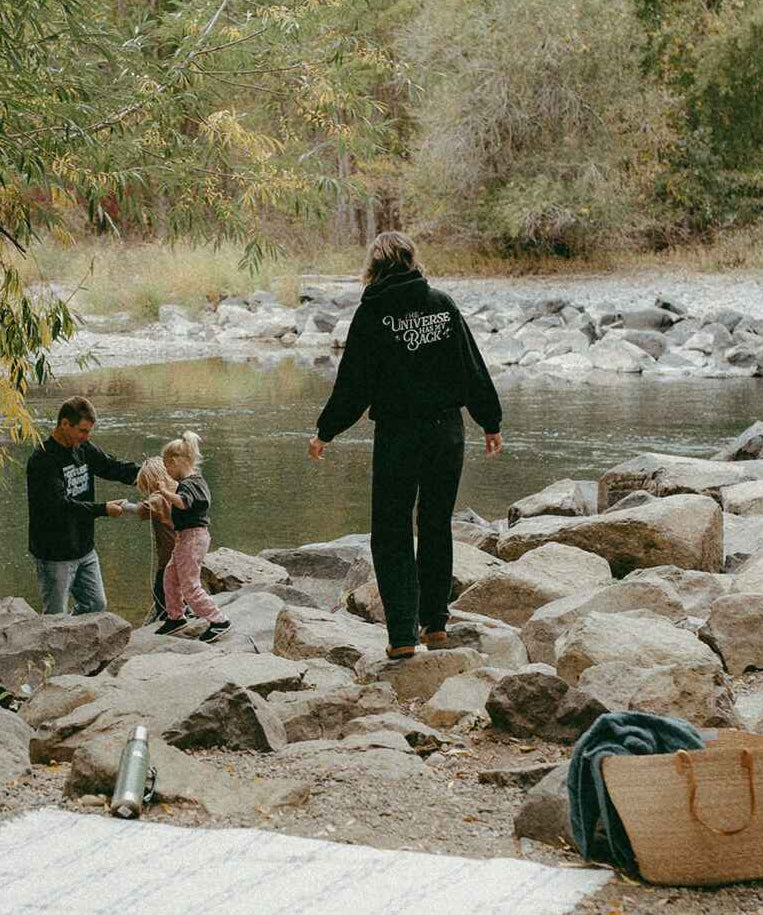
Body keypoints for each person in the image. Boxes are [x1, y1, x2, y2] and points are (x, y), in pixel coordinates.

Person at [308, 231, 503, 660]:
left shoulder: (372, 313)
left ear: (373, 268)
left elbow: (353, 387)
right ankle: (434, 624)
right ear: (413, 261)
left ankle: (401, 635)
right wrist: (490, 422)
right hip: (446, 434)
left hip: (399, 436)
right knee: (435, 525)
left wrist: (326, 431)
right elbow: (471, 367)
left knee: (393, 530)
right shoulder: (441, 305)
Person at [26, 396, 140, 615]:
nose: (86, 437)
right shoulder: (43, 460)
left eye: (88, 432)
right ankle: (56, 649)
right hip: (54, 553)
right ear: (65, 424)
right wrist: (103, 509)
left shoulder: (82, 447)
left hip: (84, 548)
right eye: (83, 431)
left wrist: (146, 474)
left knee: (95, 606)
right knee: (55, 616)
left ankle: (79, 644)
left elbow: (110, 466)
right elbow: (61, 506)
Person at [155, 431, 232, 642]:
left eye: (167, 465)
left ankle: (219, 620)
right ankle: (176, 616)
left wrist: (165, 492)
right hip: (184, 538)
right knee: (170, 576)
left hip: (193, 538)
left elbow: (183, 502)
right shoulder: (189, 482)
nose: (166, 471)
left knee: (189, 585)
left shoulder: (191, 484)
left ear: (178, 461)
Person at [122, 456, 179, 624]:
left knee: (161, 589)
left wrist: (124, 505)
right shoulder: (178, 487)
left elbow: (142, 510)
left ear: (152, 482)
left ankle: (168, 617)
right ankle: (182, 609)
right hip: (184, 548)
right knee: (180, 584)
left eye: (146, 487)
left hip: (169, 554)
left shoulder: (159, 497)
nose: (147, 492)